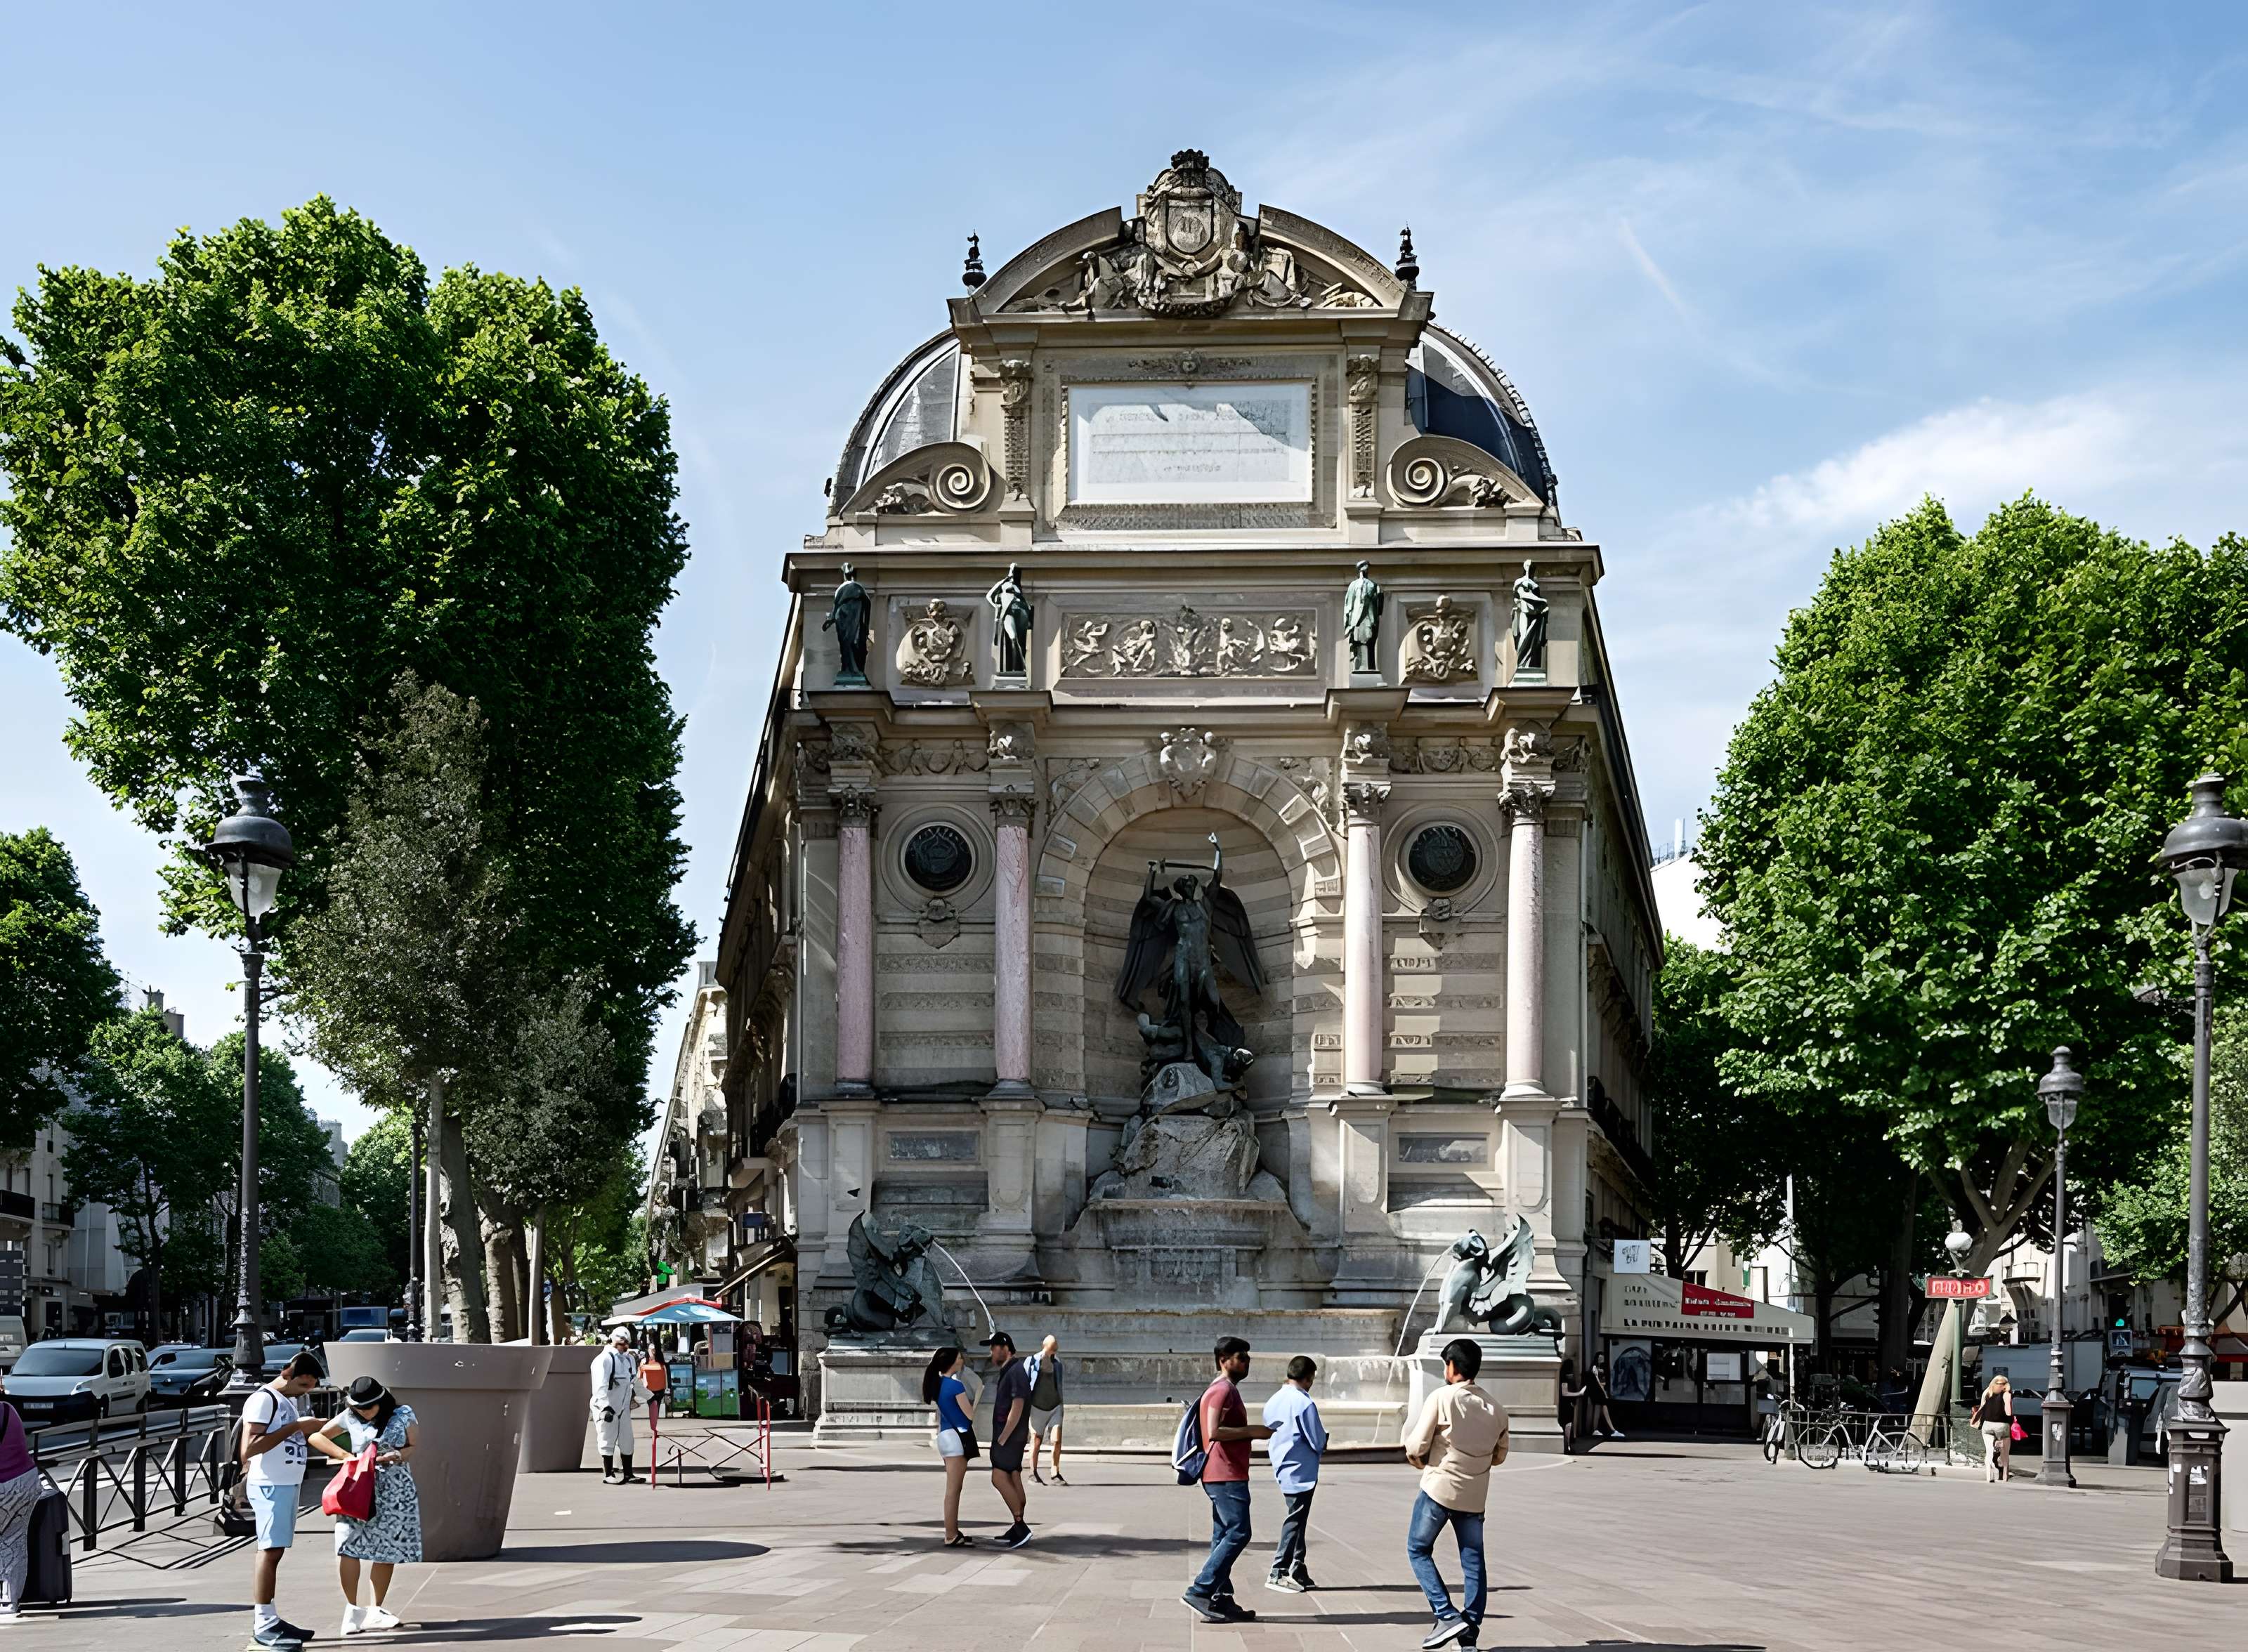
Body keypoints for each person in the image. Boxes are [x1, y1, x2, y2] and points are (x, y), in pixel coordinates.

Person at [1403, 1338, 1510, 1650]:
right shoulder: (1497, 1409)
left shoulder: (1442, 1397)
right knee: (1474, 1562)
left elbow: (1416, 1446)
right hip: (1475, 1496)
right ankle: (1469, 1636)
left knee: (1418, 1549)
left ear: (1451, 1366)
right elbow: (1500, 1456)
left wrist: (1420, 1459)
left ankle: (1446, 1614)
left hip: (1438, 1489)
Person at [308, 1375, 422, 1636]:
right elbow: (317, 1437)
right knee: (348, 1545)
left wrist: (398, 1454)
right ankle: (352, 1609)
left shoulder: (403, 1414)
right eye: (358, 1407)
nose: (363, 1412)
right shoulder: (349, 1417)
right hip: (358, 1484)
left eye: (367, 1407)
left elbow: (412, 1445)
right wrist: (347, 1456)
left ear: (382, 1401)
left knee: (387, 1548)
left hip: (393, 1485)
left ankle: (376, 1609)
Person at [240, 1350, 331, 1647]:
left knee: (275, 1550)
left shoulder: (285, 1402)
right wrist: (297, 1427)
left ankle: (270, 1618)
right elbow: (250, 1448)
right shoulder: (264, 1399)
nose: (307, 1391)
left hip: (284, 1483)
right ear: (287, 1375)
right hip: (271, 1484)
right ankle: (264, 1622)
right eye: (304, 1385)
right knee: (269, 1551)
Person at [1182, 1336, 1272, 1625]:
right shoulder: (1222, 1390)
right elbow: (1215, 1432)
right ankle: (1201, 1589)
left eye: (1247, 1356)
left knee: (1223, 1535)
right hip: (1225, 1474)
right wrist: (1255, 1431)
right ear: (1224, 1360)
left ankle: (1221, 1600)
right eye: (1240, 1356)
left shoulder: (1223, 1389)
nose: (1246, 1361)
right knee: (1239, 1532)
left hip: (1224, 1473)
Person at [1262, 1354, 1328, 1594]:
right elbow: (1316, 1439)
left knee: (1296, 1517)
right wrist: (1324, 1442)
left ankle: (1298, 1567)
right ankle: (1278, 1570)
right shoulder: (1304, 1403)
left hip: (1282, 1464)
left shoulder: (1275, 1400)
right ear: (1309, 1378)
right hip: (1302, 1469)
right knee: (1295, 1520)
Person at [922, 1346, 976, 1547]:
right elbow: (969, 1415)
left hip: (945, 1435)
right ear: (953, 1362)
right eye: (960, 1358)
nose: (962, 1361)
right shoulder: (956, 1386)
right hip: (956, 1438)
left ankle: (953, 1531)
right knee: (954, 1489)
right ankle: (951, 1534)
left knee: (953, 1488)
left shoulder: (939, 1384)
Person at [983, 1332, 1033, 1548]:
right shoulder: (1012, 1370)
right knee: (1013, 1477)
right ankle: (1017, 1525)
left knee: (998, 1478)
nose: (991, 1352)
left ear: (1004, 1348)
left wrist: (1003, 1437)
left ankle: (1021, 1526)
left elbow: (1018, 1404)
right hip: (1013, 1436)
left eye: (993, 1348)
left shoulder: (1015, 1371)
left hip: (1009, 1438)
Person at [591, 1327, 649, 1484]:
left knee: (627, 1440)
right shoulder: (604, 1360)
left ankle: (629, 1473)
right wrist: (605, 1408)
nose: (626, 1347)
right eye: (623, 1343)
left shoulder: (629, 1360)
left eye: (627, 1343)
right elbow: (599, 1387)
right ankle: (608, 1474)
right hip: (607, 1408)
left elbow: (634, 1383)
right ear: (614, 1341)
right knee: (606, 1438)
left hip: (623, 1408)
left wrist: (650, 1397)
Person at [0, 1396, 37, 1620]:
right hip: (25, 1483)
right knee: (14, 1541)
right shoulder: (8, 1409)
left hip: (3, 1487)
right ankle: (10, 1602)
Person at [1024, 1335, 1067, 1486]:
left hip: (1055, 1405)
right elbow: (1025, 1383)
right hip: (1037, 1407)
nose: (1055, 1350)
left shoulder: (1057, 1364)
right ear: (1045, 1346)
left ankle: (1055, 1472)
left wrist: (1061, 1404)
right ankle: (1032, 1472)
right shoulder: (1032, 1362)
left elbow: (1059, 1384)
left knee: (1056, 1439)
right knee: (1036, 1440)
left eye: (1055, 1348)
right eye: (1052, 1347)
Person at [1973, 1374, 2015, 1483]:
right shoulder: (2006, 1394)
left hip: (1988, 1425)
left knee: (1989, 1451)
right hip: (2002, 1426)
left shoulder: (1987, 1393)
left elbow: (1982, 1409)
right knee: (2005, 1453)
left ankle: (1989, 1476)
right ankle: (2004, 1477)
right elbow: (2009, 1412)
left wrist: (1978, 1422)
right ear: (2006, 1385)